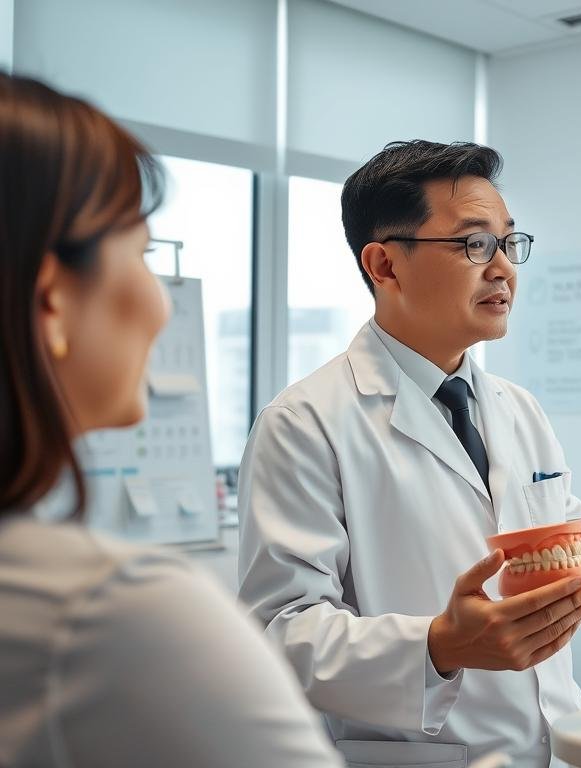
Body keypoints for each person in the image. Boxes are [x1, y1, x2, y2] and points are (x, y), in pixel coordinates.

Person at [237, 140, 581, 766]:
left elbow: (561, 590)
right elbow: (280, 634)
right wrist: (439, 645)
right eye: (474, 243)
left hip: (555, 746)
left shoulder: (515, 408)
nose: (504, 268)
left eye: (509, 242)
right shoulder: (305, 423)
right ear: (385, 265)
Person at [0, 73, 341, 767]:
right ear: (52, 301)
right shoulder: (114, 613)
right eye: (143, 255)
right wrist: (436, 645)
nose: (162, 305)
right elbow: (291, 626)